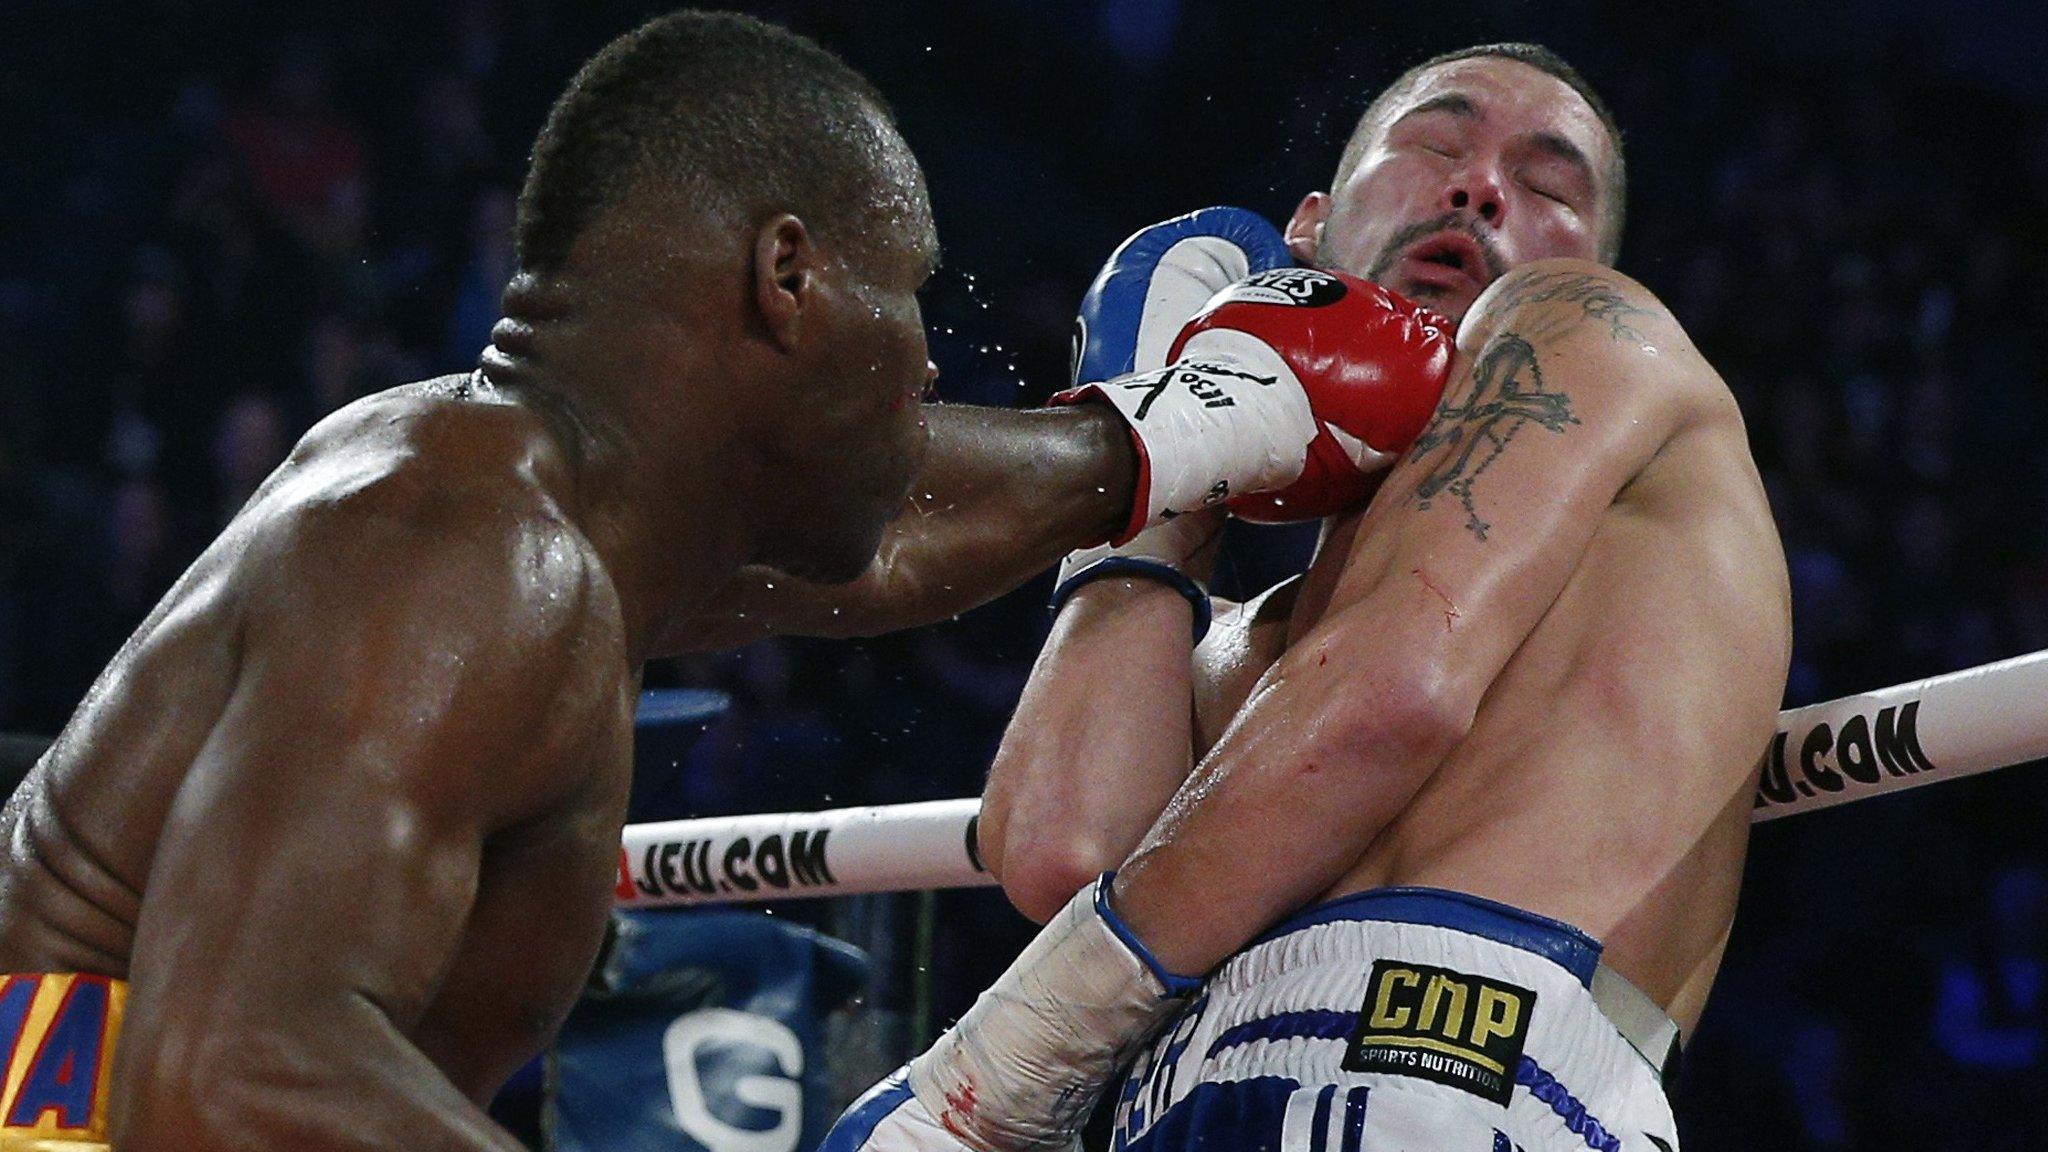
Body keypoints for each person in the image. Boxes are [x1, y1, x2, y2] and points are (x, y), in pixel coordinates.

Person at [0, 10, 1444, 1148]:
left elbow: (889, 536)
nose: (930, 358)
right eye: (911, 294)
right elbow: (228, 1084)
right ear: (791, 278)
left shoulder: (540, 513)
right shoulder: (468, 549)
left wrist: (1173, 437)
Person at [825, 43, 1791, 1151]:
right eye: (1435, 144)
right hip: (1189, 1098)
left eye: (1546, 185)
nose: (1479, 188)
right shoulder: (1243, 649)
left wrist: (991, 1070)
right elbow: (1064, 848)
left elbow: (1393, 694)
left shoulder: (1579, 324)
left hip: (1450, 1066)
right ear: (1306, 231)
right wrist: (1161, 468)